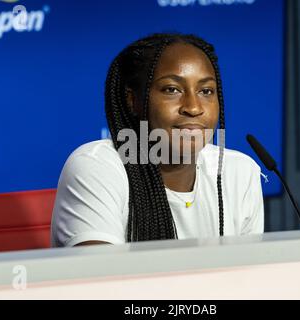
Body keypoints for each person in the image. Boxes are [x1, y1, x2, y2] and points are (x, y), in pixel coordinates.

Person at [51, 32, 264, 247]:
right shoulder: (97, 167)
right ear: (133, 100)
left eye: (206, 91)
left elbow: (249, 276)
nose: (193, 107)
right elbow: (104, 278)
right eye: (172, 90)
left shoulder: (239, 172)